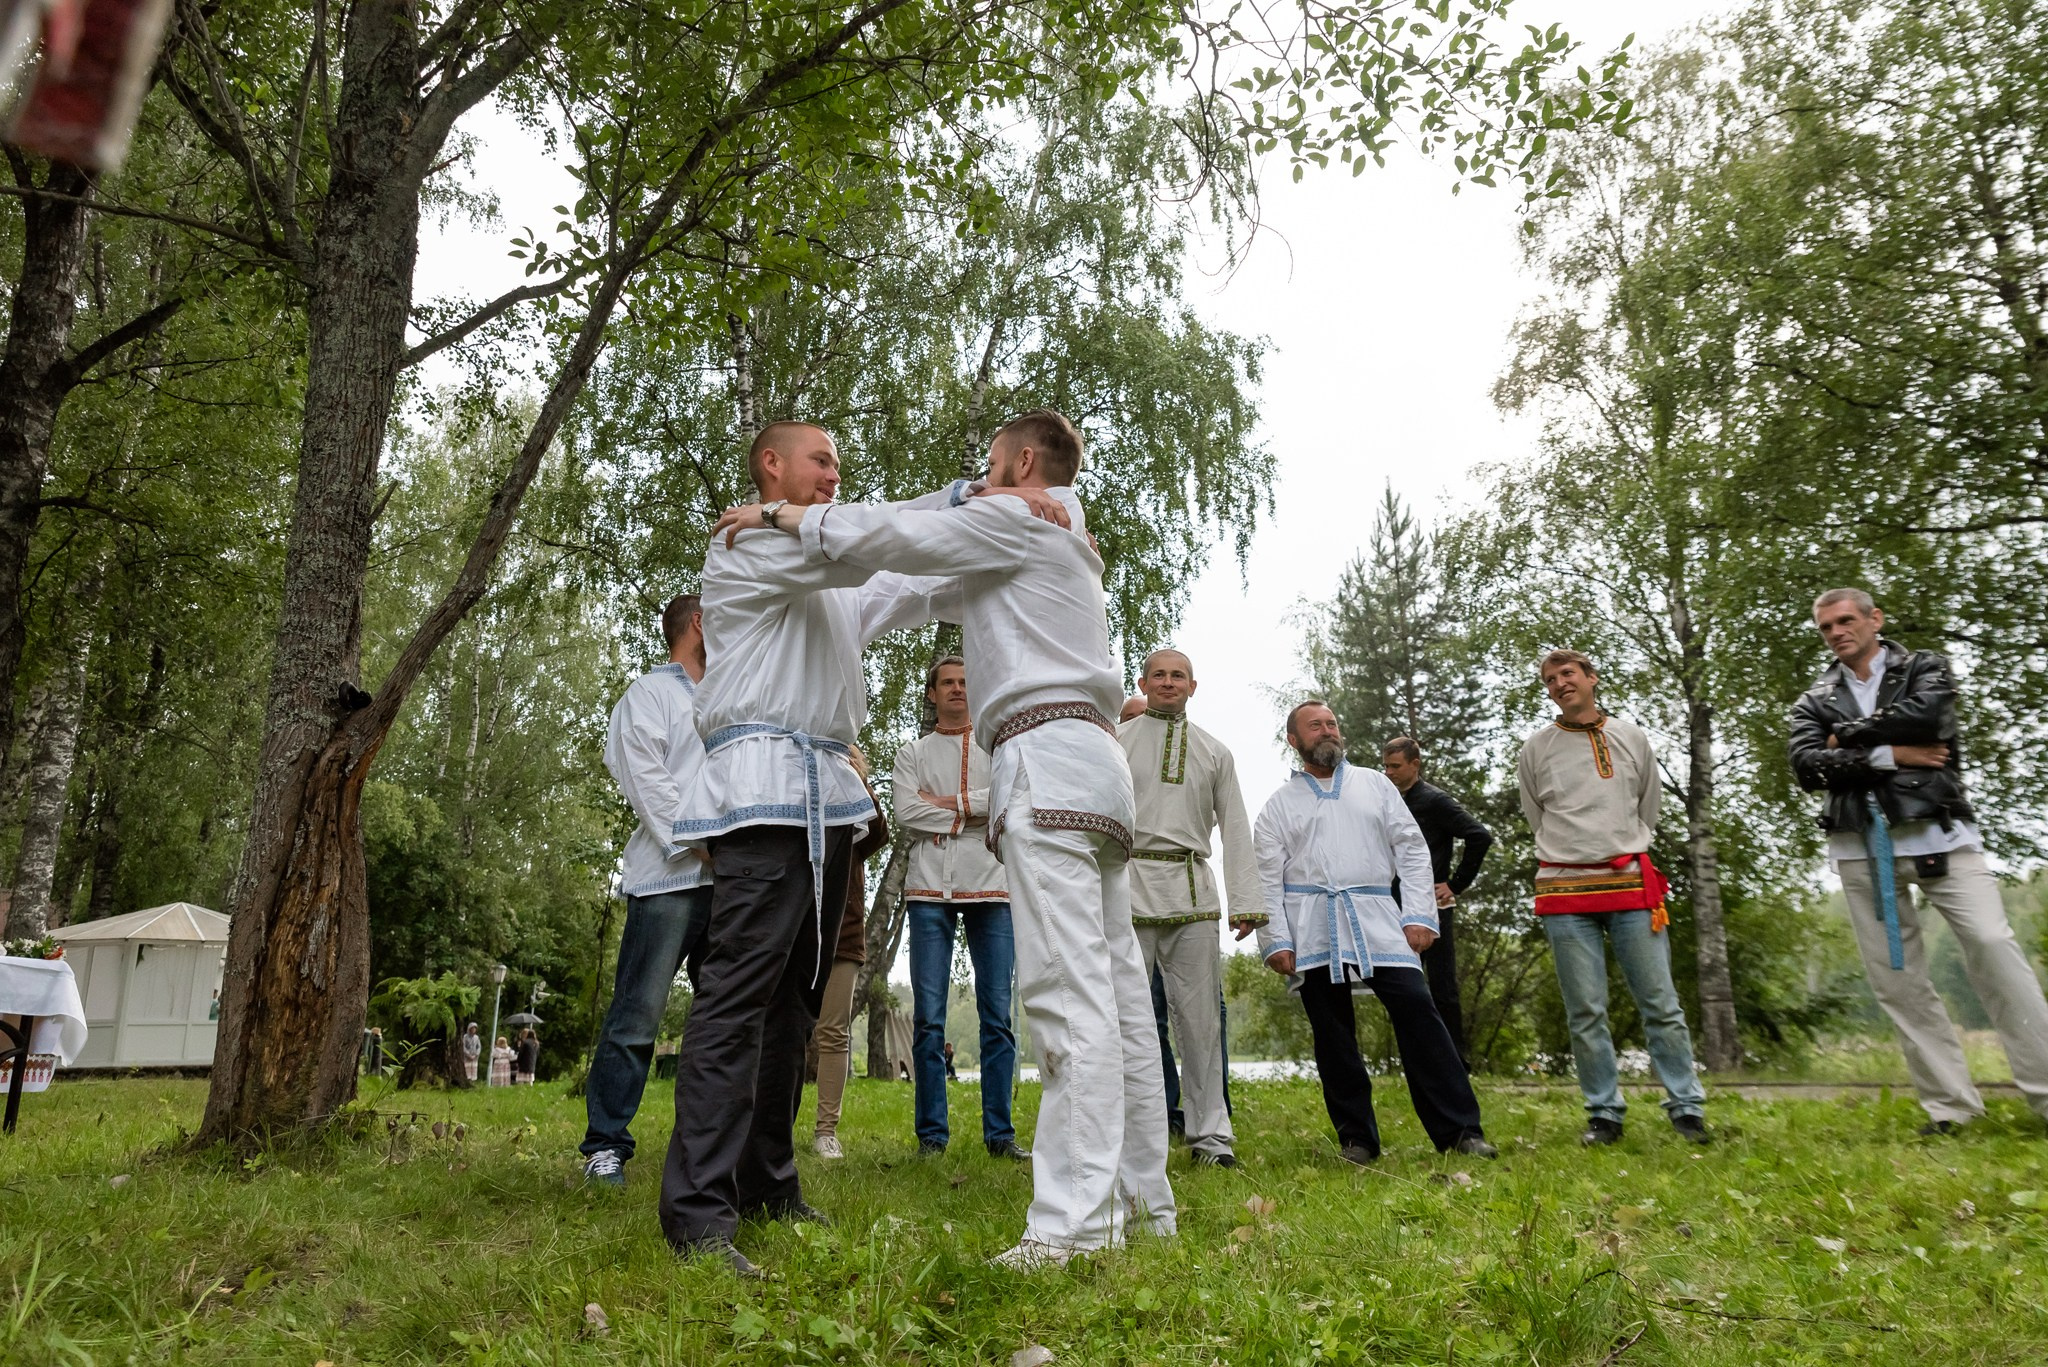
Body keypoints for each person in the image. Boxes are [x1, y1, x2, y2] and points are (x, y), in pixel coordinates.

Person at [713, 407, 1174, 1270]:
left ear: (1023, 461)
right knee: (1115, 995)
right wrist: (971, 498)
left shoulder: (1013, 518)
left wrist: (785, 515)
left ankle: (1072, 1227)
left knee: (1068, 997)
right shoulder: (1050, 535)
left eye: (990, 469)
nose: (979, 484)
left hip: (1048, 754)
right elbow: (915, 575)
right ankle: (1147, 1204)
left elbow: (896, 536)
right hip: (1099, 767)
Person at [660, 421, 963, 1276]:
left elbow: (910, 581)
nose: (835, 474)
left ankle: (769, 1184)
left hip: (823, 800)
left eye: (838, 463)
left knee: (795, 1004)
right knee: (737, 999)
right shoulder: (745, 547)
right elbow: (869, 546)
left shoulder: (826, 574)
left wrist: (1011, 537)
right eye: (821, 460)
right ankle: (697, 1215)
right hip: (761, 792)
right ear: (771, 465)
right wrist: (961, 496)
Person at [1790, 588, 2048, 1134]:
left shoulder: (1925, 667)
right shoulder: (1815, 698)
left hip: (1941, 834)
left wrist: (1851, 740)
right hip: (1860, 846)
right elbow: (1808, 765)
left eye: (1846, 620)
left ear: (1873, 619)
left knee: (1992, 946)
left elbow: (1929, 717)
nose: (1837, 632)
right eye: (1825, 627)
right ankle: (1950, 1108)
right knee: (1897, 980)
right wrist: (1892, 752)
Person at [1254, 701, 1496, 1164]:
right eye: (1315, 726)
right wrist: (1276, 941)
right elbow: (1267, 876)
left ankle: (1461, 1131)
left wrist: (1419, 915)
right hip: (1313, 926)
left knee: (1420, 1015)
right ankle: (1357, 1139)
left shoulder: (1376, 785)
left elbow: (1410, 847)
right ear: (1294, 740)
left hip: (1377, 917)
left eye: (1331, 723)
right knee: (1333, 1035)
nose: (1327, 731)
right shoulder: (1279, 806)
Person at [1518, 649, 1709, 1146]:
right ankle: (1604, 1113)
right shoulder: (1535, 749)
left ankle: (1686, 1108)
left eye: (1568, 674)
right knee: (1585, 1010)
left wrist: (1617, 845)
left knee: (1661, 1003)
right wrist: (1574, 852)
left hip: (1628, 883)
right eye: (1550, 679)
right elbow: (1535, 814)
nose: (1560, 684)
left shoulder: (1630, 737)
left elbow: (1648, 807)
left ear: (1591, 678)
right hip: (1563, 889)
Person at [582, 594, 713, 1187]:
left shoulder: (733, 696)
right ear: (699, 622)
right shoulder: (650, 695)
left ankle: (710, 1152)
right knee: (637, 1017)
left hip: (733, 883)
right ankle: (605, 1145)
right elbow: (644, 776)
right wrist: (702, 841)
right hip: (668, 877)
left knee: (724, 1024)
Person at [1117, 648, 1261, 1168]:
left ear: (1193, 686)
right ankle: (1135, 1138)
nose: (1169, 682)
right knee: (1127, 1018)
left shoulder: (1215, 751)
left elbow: (1237, 828)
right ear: (1144, 682)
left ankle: (1211, 1139)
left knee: (1200, 1023)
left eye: (1178, 675)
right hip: (1128, 889)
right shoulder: (1115, 742)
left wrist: (1247, 901)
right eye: (1159, 674)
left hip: (1193, 890)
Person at [893, 655, 1025, 1161]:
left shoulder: (1001, 748)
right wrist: (975, 808)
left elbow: (1011, 799)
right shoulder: (913, 753)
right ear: (931, 693)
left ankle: (1001, 1135)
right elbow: (906, 809)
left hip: (992, 884)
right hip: (929, 889)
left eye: (966, 682)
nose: (956, 689)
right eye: (946, 682)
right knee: (928, 1018)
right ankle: (932, 1136)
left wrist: (949, 803)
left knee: (997, 1015)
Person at [1381, 737, 1494, 1060]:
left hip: (1433, 905)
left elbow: (1479, 836)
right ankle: (1418, 1058)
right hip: (1395, 906)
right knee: (1404, 985)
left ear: (1415, 765)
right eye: (1386, 766)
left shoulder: (1434, 800)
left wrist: (1455, 885)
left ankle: (1457, 1060)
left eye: (1396, 766)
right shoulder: (1388, 800)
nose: (1389, 772)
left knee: (1442, 986)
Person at [811, 751, 891, 1160]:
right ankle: (768, 1128)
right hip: (790, 922)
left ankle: (826, 1131)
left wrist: (853, 774)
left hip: (842, 927)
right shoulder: (793, 783)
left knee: (833, 1030)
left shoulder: (857, 799)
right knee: (779, 1028)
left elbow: (880, 831)